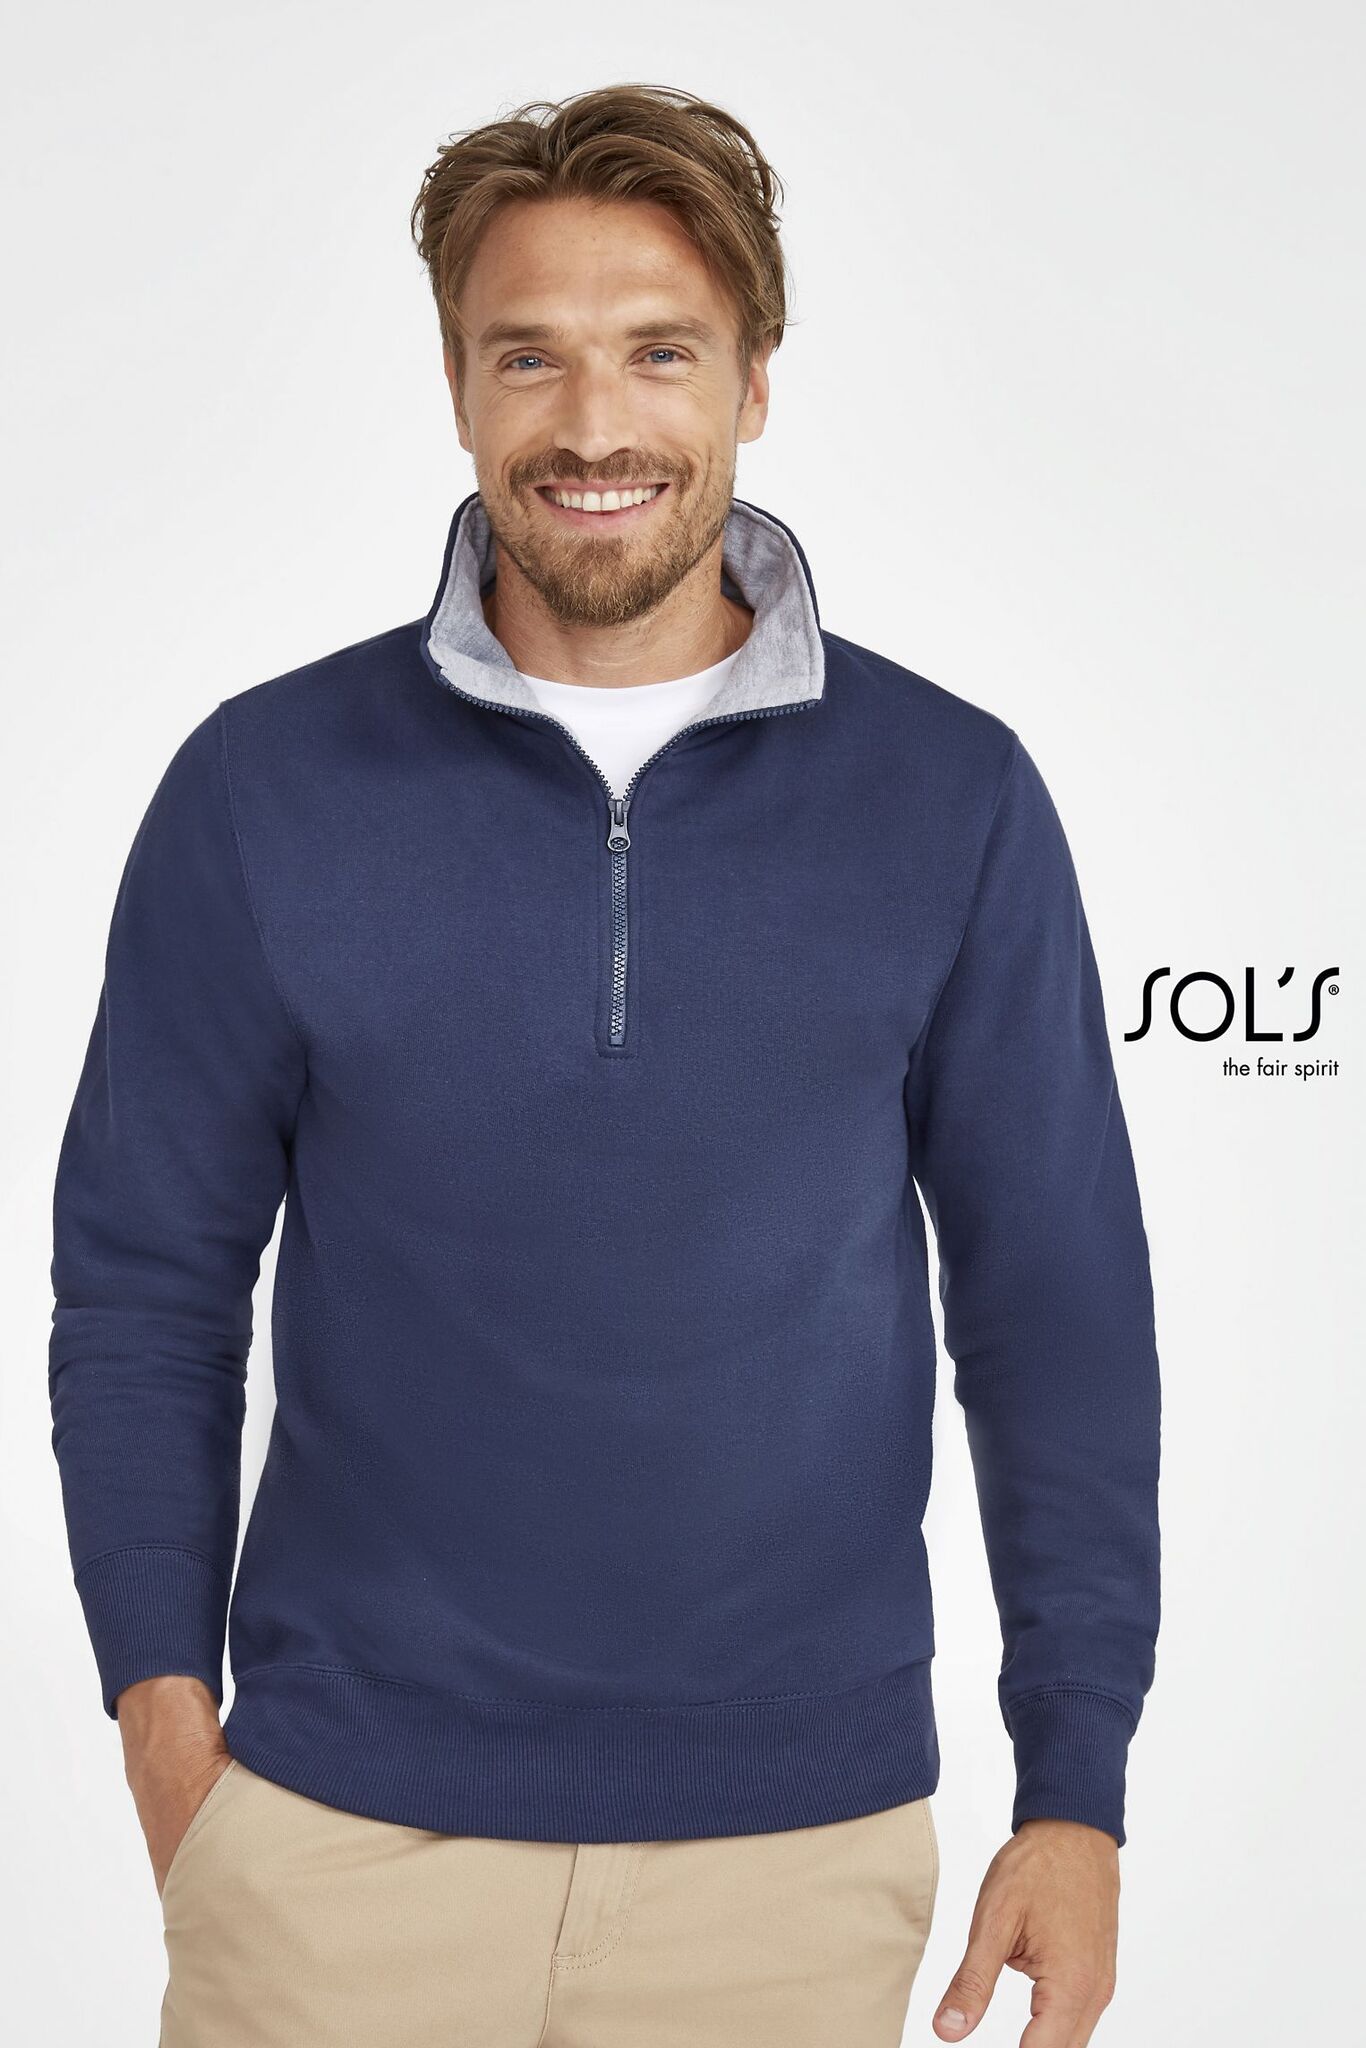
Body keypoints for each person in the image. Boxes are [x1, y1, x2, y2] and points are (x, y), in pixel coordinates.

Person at [47, 81, 1161, 2048]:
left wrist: (1073, 1790)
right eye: (526, 357)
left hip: (793, 1865)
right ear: (456, 388)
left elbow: (1053, 1309)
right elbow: (143, 1288)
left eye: (658, 351)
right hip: (331, 1846)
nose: (590, 426)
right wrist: (164, 1727)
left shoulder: (950, 798)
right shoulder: (263, 791)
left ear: (753, 380)